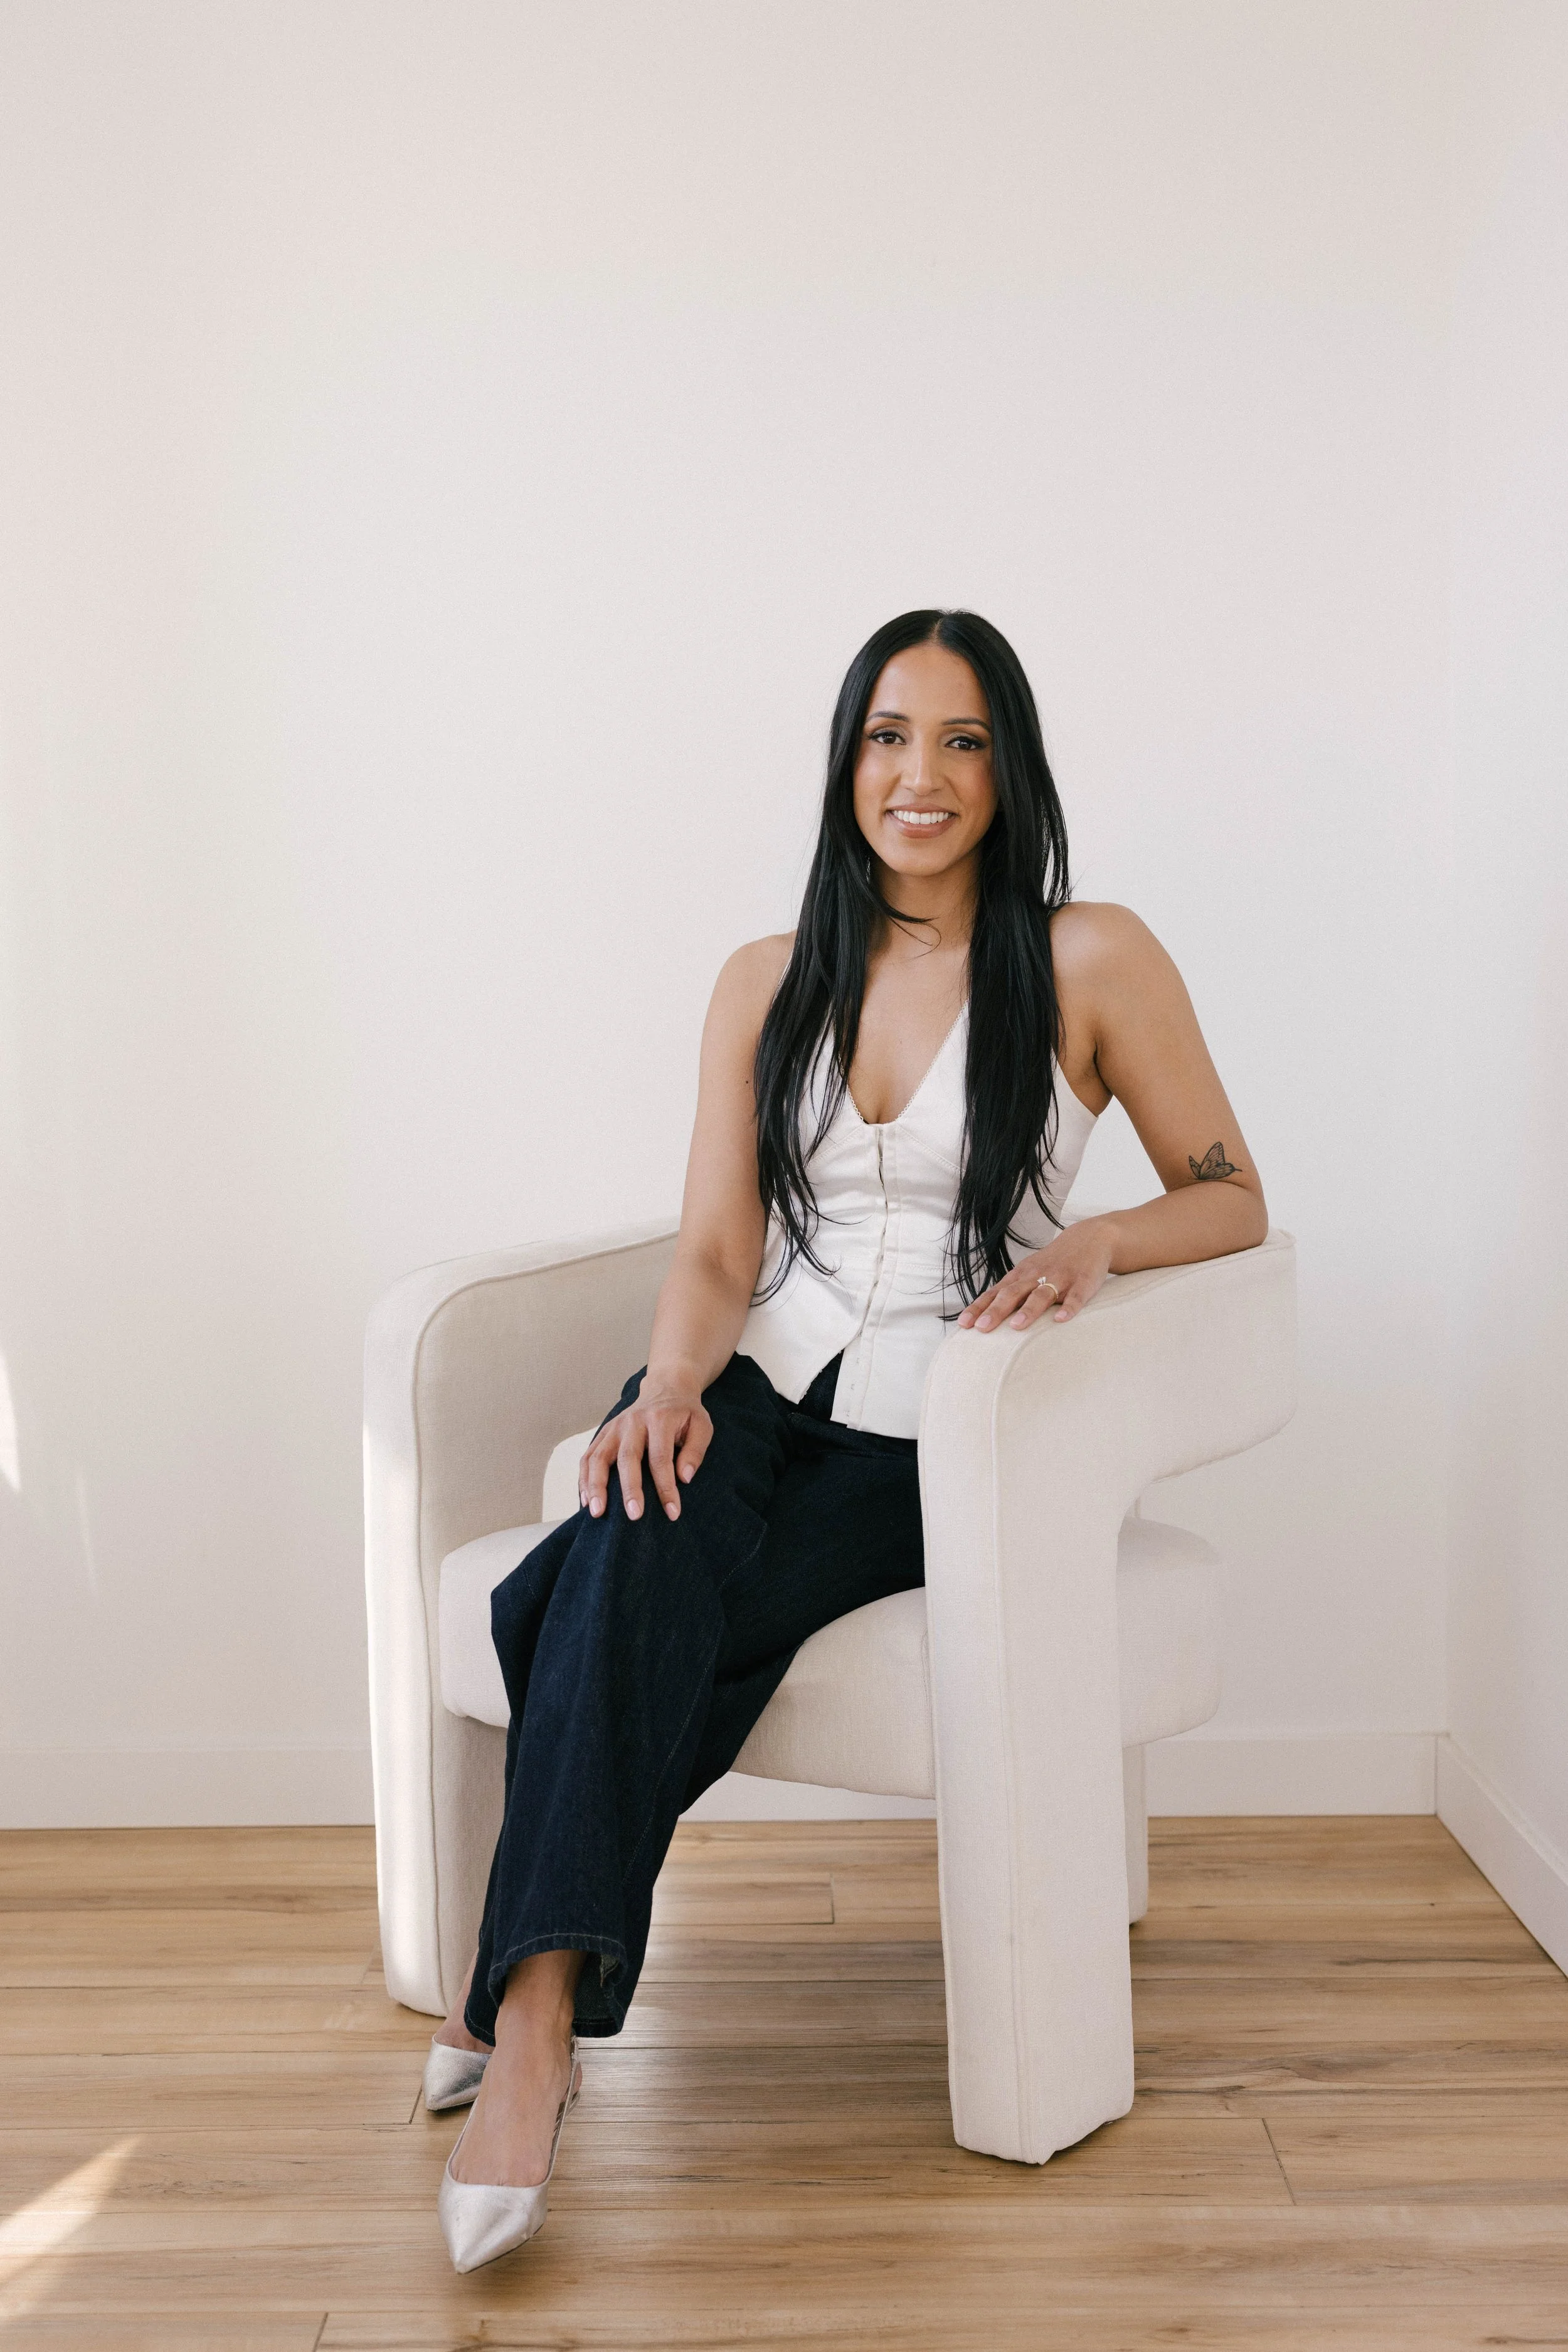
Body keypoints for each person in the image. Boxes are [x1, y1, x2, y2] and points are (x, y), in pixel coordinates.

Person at [429, 608, 1268, 2270]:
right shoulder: (766, 975)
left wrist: (1098, 1241)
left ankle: (510, 2009)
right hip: (745, 1381)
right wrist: (666, 1384)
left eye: (961, 740)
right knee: (631, 1529)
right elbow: (717, 1251)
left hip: (938, 1427)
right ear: (846, 759)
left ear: (1007, 768)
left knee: (587, 1601)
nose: (922, 774)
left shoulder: (1091, 957)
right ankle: (534, 2032)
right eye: (890, 735)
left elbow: (1230, 1195)